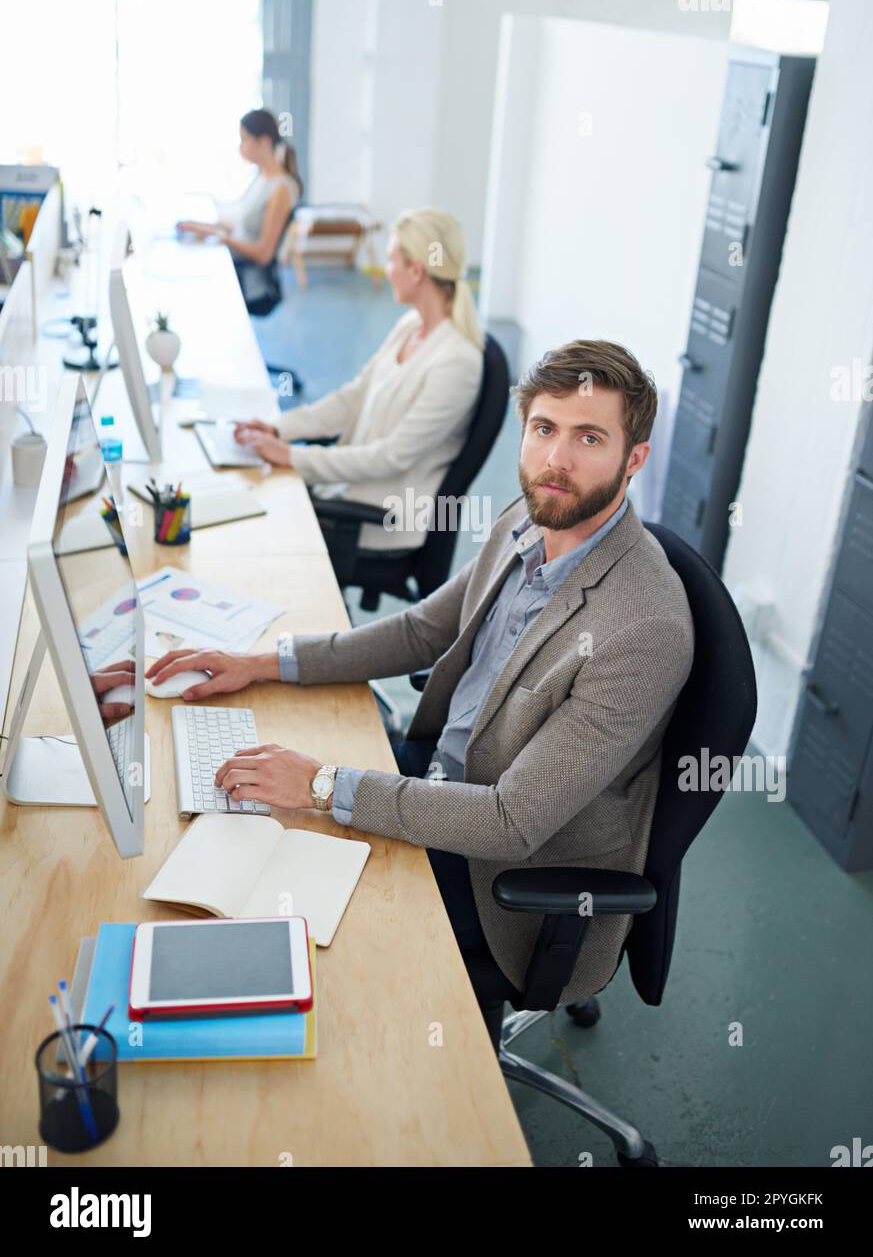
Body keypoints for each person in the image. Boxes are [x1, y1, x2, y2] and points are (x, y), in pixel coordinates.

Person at [146, 340, 695, 1044]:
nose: (557, 459)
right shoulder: (534, 516)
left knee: (305, 956)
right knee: (228, 851)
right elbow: (421, 628)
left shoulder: (641, 628)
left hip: (503, 874)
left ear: (633, 457)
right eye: (543, 429)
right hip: (435, 777)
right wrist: (262, 663)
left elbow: (510, 821)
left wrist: (321, 784)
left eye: (589, 437)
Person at [231, 207, 485, 554]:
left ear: (416, 270)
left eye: (392, 260)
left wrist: (291, 456)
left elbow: (391, 457)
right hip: (348, 493)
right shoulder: (410, 326)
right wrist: (279, 429)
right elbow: (352, 399)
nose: (386, 270)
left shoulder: (457, 363)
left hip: (378, 518)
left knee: (259, 525)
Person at [176, 108, 303, 316]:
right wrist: (201, 226)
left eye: (244, 139)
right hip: (238, 265)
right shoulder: (262, 178)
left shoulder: (281, 188)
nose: (240, 146)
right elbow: (243, 224)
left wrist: (219, 236)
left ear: (264, 142)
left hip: (254, 283)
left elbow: (263, 255)